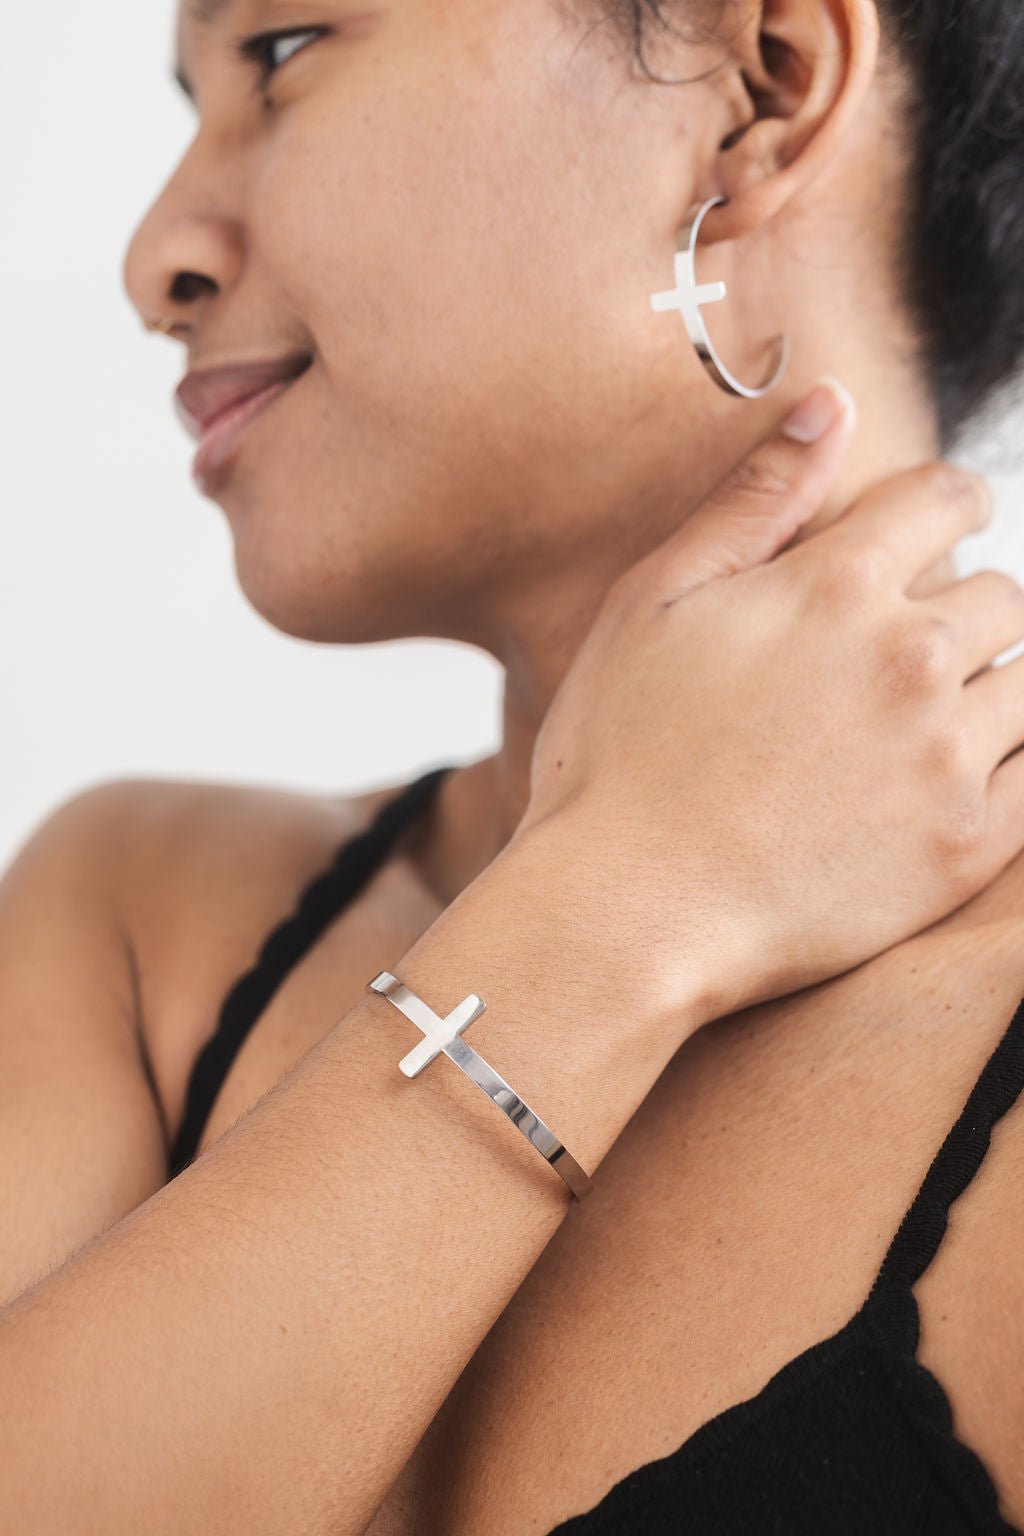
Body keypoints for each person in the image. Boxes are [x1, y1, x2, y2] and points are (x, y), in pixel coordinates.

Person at [1, 0, 1023, 1531]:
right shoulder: (141, 924)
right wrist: (628, 905)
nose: (158, 258)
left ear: (762, 89)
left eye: (281, 52)